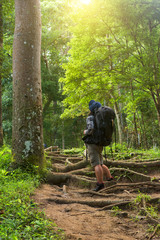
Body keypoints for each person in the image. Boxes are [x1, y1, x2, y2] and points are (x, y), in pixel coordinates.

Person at [83, 100, 113, 192]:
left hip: (93, 143)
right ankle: (109, 178)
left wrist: (85, 132)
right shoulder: (103, 117)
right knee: (100, 162)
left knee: (96, 164)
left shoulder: (91, 117)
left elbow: (91, 129)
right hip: (101, 142)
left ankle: (100, 184)